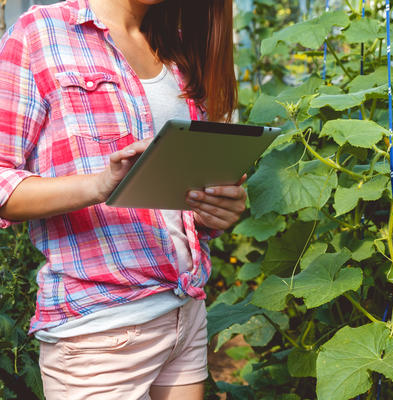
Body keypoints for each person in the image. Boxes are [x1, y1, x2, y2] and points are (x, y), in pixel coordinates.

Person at [0, 0, 244, 398]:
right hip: (99, 328)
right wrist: (99, 185)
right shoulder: (41, 33)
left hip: (184, 309)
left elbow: (175, 205)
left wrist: (215, 210)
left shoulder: (175, 47)